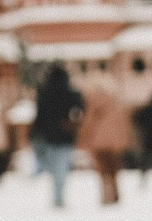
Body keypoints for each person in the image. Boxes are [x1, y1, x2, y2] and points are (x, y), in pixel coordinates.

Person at [30, 64, 84, 209]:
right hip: (65, 135)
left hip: (49, 136)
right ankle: (58, 197)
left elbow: (40, 116)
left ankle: (57, 196)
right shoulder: (70, 93)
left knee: (54, 165)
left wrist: (35, 132)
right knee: (61, 168)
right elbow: (80, 108)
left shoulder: (44, 92)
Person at [78, 73, 132, 206]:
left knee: (103, 172)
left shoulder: (92, 104)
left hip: (98, 144)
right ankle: (115, 196)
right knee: (114, 171)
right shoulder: (116, 103)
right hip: (114, 144)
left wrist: (83, 140)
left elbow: (87, 125)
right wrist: (123, 140)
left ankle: (105, 196)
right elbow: (123, 124)